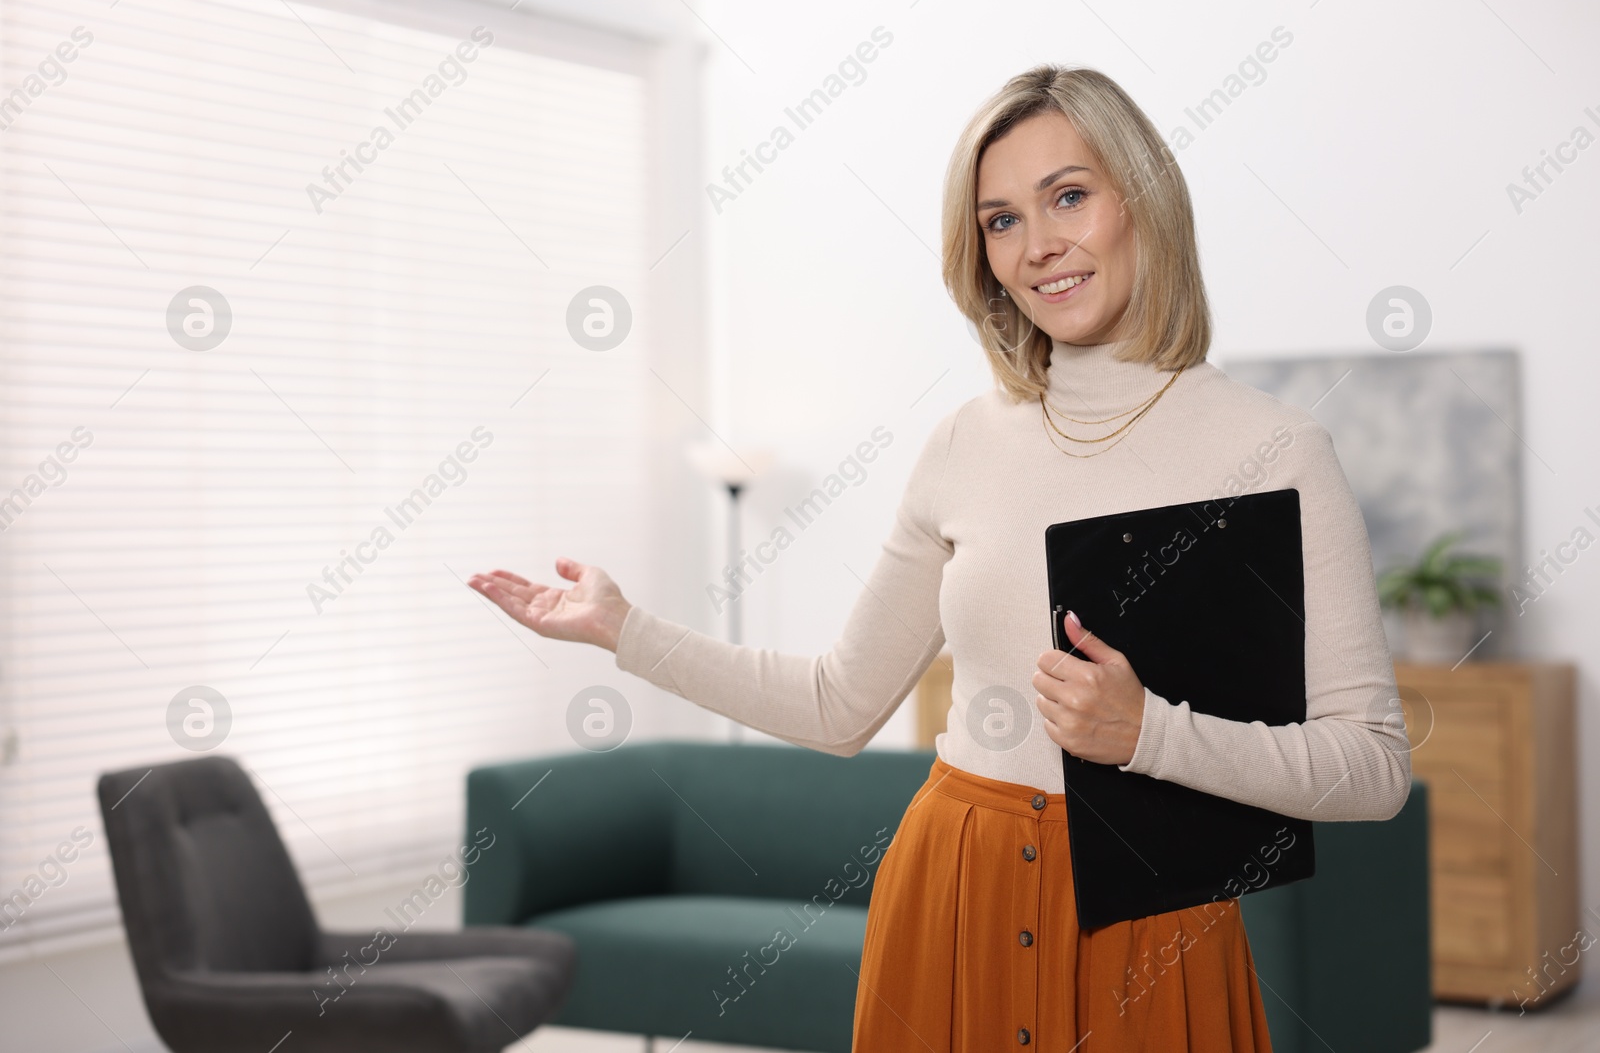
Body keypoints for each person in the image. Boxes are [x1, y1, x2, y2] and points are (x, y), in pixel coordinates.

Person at [470, 64, 1411, 1053]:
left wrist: (1148, 733)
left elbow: (1371, 767)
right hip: (948, 892)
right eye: (1000, 219)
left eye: (1068, 196)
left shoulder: (1275, 449)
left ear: (1142, 197)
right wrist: (625, 629)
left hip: (1154, 921)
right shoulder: (964, 442)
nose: (1038, 244)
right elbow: (839, 703)